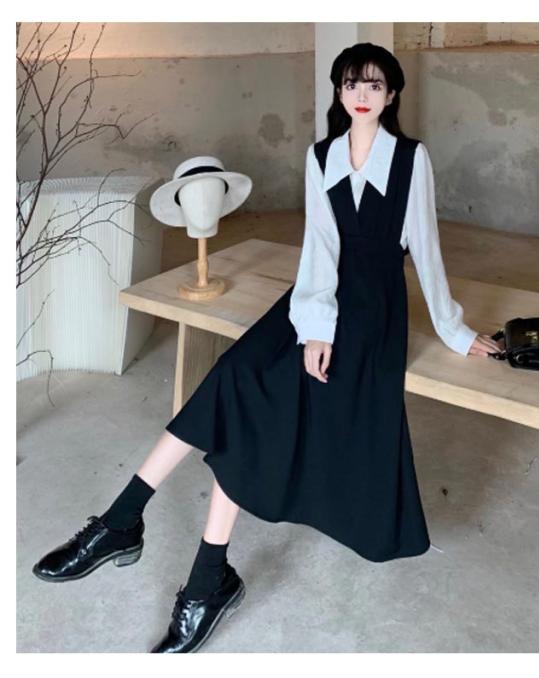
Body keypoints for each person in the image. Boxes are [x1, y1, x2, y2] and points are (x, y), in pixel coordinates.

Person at [31, 42, 502, 653]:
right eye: (352, 83)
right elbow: (320, 248)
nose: (362, 95)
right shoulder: (321, 156)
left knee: (267, 403)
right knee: (235, 373)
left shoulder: (411, 158)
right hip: (315, 297)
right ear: (339, 92)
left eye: (374, 85)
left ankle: (180, 562)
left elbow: (427, 250)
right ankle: (131, 522)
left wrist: (455, 330)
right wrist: (315, 325)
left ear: (391, 95)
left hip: (374, 310)